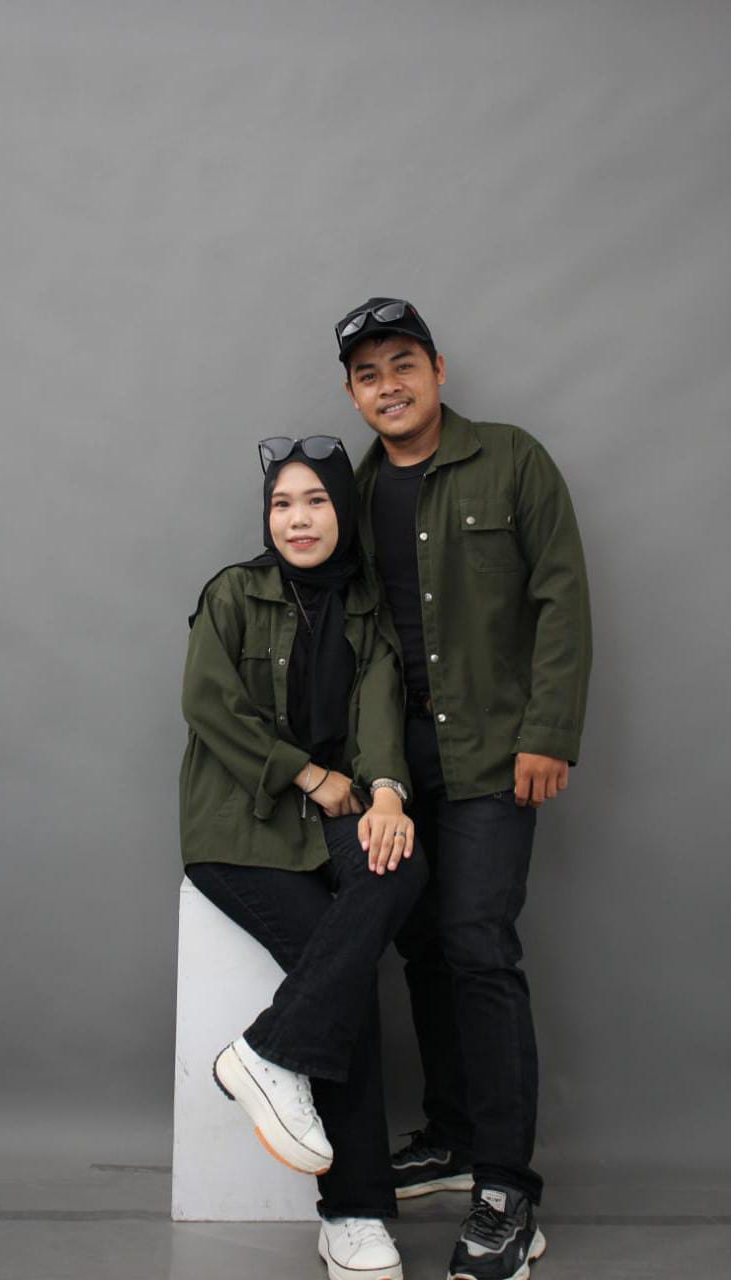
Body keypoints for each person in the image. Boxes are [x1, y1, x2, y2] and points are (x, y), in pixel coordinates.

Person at [333, 297, 592, 1280]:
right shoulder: (358, 493)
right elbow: (362, 643)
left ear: (437, 370)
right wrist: (369, 773)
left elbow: (559, 595)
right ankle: (448, 1137)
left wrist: (547, 732)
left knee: (479, 945)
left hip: (493, 755)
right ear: (352, 394)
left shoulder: (512, 459)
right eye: (367, 374)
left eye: (402, 364)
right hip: (399, 770)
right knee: (424, 948)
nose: (388, 386)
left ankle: (506, 1187)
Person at [179, 434, 429, 1280]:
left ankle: (268, 1051)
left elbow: (380, 709)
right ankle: (352, 1215)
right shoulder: (233, 592)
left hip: (338, 813)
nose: (298, 519)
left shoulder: (365, 608)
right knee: (343, 975)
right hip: (241, 824)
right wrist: (307, 773)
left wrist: (386, 793)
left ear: (341, 511)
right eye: (282, 503)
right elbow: (208, 704)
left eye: (316, 501)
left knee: (400, 864)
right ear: (267, 516)